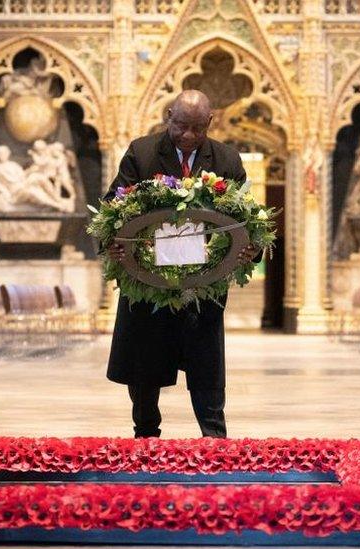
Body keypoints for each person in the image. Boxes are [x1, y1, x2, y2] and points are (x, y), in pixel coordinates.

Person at [104, 90, 259, 438]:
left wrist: (250, 250)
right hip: (147, 285)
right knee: (145, 366)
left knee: (206, 365)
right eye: (180, 126)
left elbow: (246, 219)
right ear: (168, 116)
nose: (188, 136)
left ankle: (215, 440)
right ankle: (145, 436)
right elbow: (113, 206)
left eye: (197, 129)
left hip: (203, 286)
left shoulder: (226, 160)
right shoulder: (141, 153)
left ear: (210, 123)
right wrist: (114, 243)